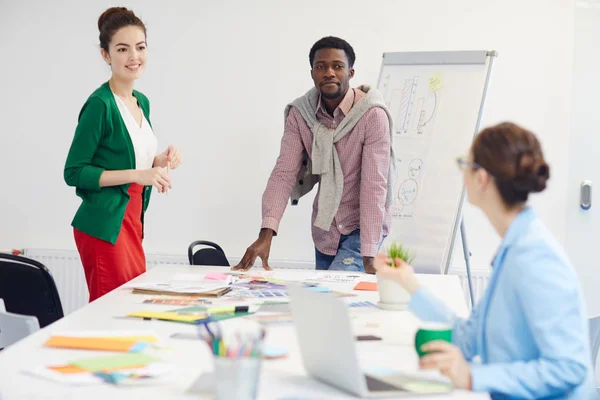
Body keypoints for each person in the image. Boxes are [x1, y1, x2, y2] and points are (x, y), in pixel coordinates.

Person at [374, 122, 595, 398]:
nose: (462, 172)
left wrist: (473, 377)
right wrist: (408, 282)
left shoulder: (535, 258)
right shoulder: (512, 250)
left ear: (482, 178)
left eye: (466, 163)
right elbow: (467, 338)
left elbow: (569, 367)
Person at [234, 36, 396, 274]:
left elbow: (374, 186)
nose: (329, 72)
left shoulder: (372, 115)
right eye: (321, 66)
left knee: (333, 298)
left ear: (350, 73)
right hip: (325, 231)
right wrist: (266, 234)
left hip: (362, 231)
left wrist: (369, 256)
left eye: (337, 66)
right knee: (325, 303)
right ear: (312, 73)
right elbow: (283, 174)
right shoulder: (301, 114)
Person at [64, 7, 182, 302]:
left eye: (140, 47)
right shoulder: (99, 105)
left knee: (132, 306)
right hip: (104, 225)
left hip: (132, 219)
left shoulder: (142, 102)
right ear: (106, 55)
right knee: (112, 309)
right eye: (122, 48)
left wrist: (159, 161)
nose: (134, 56)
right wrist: (138, 175)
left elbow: (134, 160)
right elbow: (74, 171)